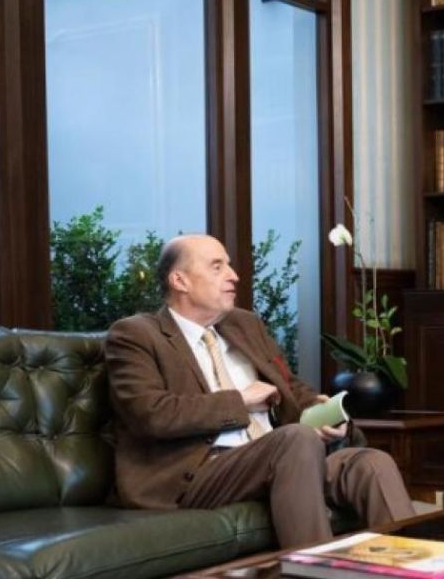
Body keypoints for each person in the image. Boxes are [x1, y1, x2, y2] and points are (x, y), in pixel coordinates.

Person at [105, 234, 415, 548]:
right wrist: (239, 402)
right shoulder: (136, 335)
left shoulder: (244, 324)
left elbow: (288, 385)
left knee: (371, 463)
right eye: (217, 267)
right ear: (180, 280)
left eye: (229, 264)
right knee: (295, 439)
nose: (233, 275)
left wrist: (318, 409)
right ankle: (313, 572)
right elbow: (151, 414)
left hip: (278, 457)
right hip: (197, 472)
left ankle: (418, 569)